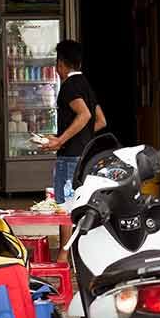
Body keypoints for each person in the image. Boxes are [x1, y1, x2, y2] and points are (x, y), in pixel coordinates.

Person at [41, 40, 107, 262]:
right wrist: (78, 137)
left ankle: (63, 255)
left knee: (64, 205)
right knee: (80, 203)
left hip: (69, 158)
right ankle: (78, 253)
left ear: (60, 64)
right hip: (85, 155)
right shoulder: (86, 84)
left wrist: (61, 140)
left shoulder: (69, 86)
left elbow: (85, 115)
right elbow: (100, 121)